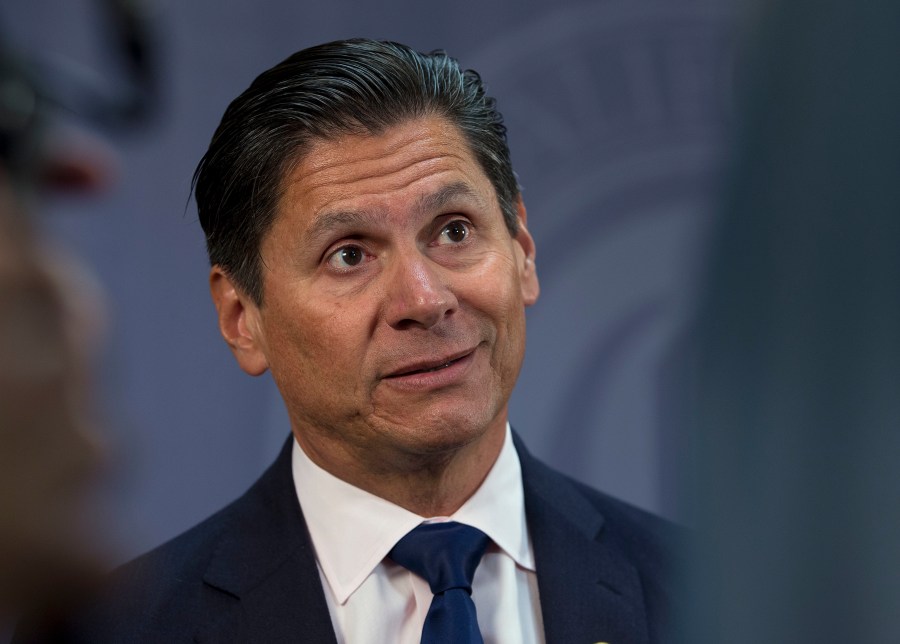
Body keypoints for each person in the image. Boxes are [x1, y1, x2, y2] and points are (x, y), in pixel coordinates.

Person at [43, 39, 680, 644]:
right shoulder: (119, 630)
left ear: (523, 252)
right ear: (242, 316)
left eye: (454, 232)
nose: (426, 300)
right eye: (349, 255)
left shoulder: (708, 596)